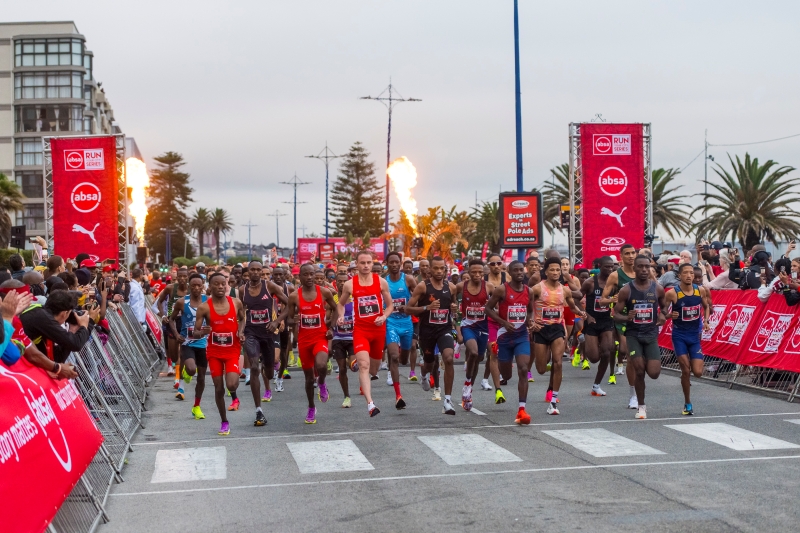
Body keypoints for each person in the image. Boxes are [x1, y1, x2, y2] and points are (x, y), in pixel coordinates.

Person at [274, 263, 338, 424]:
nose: (309, 277)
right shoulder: (295, 296)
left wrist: (332, 326)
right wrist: (289, 320)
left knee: (322, 364)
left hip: (320, 337)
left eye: (312, 274)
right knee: (309, 379)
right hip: (304, 340)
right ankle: (311, 407)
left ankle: (322, 382)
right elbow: (289, 316)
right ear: (300, 277)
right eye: (306, 275)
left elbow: (336, 309)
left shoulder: (324, 292)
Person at [336, 251, 394, 417]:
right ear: (356, 264)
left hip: (378, 330)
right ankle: (370, 404)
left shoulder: (381, 282)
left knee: (374, 370)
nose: (366, 266)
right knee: (364, 365)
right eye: (362, 263)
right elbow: (340, 304)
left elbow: (390, 306)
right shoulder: (350, 285)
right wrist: (340, 316)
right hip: (360, 331)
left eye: (369, 262)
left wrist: (383, 316)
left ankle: (358, 363)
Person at [613, 255, 668, 420]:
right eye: (641, 267)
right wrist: (626, 317)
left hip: (650, 335)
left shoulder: (657, 288)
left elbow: (665, 307)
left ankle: (645, 361)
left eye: (647, 266)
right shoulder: (626, 290)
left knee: (654, 373)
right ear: (634, 269)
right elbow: (615, 314)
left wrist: (663, 315)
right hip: (633, 335)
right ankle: (641, 406)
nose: (644, 270)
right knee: (639, 370)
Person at [531, 257, 586, 415]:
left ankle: (553, 402)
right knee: (541, 369)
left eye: (558, 270)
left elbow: (573, 306)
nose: (555, 272)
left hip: (557, 328)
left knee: (558, 362)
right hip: (541, 329)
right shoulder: (537, 288)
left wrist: (581, 313)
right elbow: (527, 305)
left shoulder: (565, 289)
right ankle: (547, 365)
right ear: (546, 271)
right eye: (552, 270)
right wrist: (530, 321)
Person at [193, 273, 246, 436]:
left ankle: (236, 381)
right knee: (219, 388)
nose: (221, 287)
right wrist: (202, 332)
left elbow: (243, 319)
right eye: (217, 284)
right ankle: (224, 421)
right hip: (214, 352)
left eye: (224, 284)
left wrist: (241, 331)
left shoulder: (236, 303)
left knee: (231, 385)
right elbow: (195, 332)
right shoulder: (204, 307)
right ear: (210, 287)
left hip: (232, 350)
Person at [407, 256, 458, 415]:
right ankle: (423, 374)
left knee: (448, 358)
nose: (438, 271)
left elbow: (454, 308)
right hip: (427, 332)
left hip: (444, 329)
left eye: (441, 268)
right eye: (435, 268)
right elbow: (408, 309)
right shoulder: (422, 287)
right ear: (430, 269)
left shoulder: (451, 287)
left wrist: (454, 310)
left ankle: (448, 401)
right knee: (429, 363)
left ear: (445, 269)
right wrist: (426, 308)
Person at [485, 260, 534, 423]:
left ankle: (522, 410)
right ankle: (501, 371)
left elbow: (530, 311)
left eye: (522, 270)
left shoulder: (529, 291)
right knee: (506, 374)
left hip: (521, 336)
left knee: (523, 368)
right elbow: (488, 309)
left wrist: (530, 321)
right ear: (510, 273)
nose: (520, 273)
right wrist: (503, 322)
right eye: (516, 270)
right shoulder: (501, 290)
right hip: (504, 336)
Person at [239, 261, 287, 423]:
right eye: (252, 269)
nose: (255, 272)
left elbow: (290, 304)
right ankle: (258, 410)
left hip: (268, 333)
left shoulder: (270, 287)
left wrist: (277, 320)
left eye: (259, 270)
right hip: (251, 333)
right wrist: (240, 330)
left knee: (269, 372)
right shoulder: (242, 291)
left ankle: (270, 376)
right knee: (253, 367)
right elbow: (239, 313)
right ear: (248, 271)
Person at [665, 263, 711, 416]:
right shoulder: (672, 293)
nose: (689, 276)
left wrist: (706, 321)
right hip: (679, 336)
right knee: (686, 370)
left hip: (694, 336)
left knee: (697, 372)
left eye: (691, 273)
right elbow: (662, 312)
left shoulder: (700, 290)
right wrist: (669, 315)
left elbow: (706, 306)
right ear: (679, 275)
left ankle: (686, 377)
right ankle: (687, 403)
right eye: (686, 273)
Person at [600, 243, 638, 401]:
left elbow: (656, 290)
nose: (631, 256)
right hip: (623, 319)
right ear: (621, 256)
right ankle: (633, 393)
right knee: (625, 350)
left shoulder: (643, 271)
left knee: (642, 362)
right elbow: (602, 300)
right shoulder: (616, 275)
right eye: (627, 253)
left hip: (642, 320)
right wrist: (611, 299)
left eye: (633, 253)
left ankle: (636, 387)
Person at [19, 288, 97, 363]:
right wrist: (87, 324)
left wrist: (73, 329)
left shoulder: (40, 311)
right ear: (64, 314)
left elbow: (58, 358)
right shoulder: (44, 321)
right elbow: (76, 344)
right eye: (70, 312)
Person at [169, 274, 209, 418]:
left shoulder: (208, 301)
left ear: (203, 285)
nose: (196, 288)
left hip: (203, 343)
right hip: (187, 342)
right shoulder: (182, 302)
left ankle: (196, 407)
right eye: (193, 285)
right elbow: (171, 319)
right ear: (189, 286)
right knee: (192, 370)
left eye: (199, 285)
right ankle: (186, 372)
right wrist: (176, 333)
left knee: (202, 377)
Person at [456, 259, 494, 410]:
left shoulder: (489, 287)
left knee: (479, 358)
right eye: (474, 272)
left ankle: (469, 385)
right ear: (468, 272)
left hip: (483, 327)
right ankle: (466, 384)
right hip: (468, 326)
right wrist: (453, 310)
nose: (477, 275)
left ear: (484, 272)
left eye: (480, 272)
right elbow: (450, 300)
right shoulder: (461, 286)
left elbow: (498, 303)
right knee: (473, 352)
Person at [383, 251, 415, 409]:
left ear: (400, 263)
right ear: (387, 264)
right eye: (391, 262)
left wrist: (408, 307)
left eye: (397, 262)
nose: (394, 265)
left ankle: (402, 359)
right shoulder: (383, 282)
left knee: (403, 360)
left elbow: (418, 299)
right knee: (394, 356)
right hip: (390, 324)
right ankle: (398, 396)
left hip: (407, 324)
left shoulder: (408, 280)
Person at [581, 256, 616, 397]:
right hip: (592, 322)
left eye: (612, 266)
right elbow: (577, 299)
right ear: (599, 266)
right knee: (594, 358)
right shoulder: (589, 283)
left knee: (607, 352)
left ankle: (596, 385)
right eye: (607, 266)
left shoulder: (614, 284)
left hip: (607, 321)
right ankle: (586, 342)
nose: (610, 269)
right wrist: (586, 315)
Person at [156, 268, 189, 384]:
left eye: (184, 276)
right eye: (180, 276)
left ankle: (178, 379)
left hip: (186, 323)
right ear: (177, 277)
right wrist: (163, 314)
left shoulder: (191, 289)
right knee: (174, 356)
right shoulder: (170, 288)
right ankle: (178, 371)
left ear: (188, 277)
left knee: (183, 352)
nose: (182, 279)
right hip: (172, 322)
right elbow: (159, 302)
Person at [480, 253, 507, 391]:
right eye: (492, 264)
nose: (496, 266)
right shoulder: (484, 281)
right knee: (492, 351)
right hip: (489, 320)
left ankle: (492, 376)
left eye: (498, 263)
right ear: (488, 265)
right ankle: (487, 380)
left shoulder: (507, 278)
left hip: (505, 321)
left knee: (498, 352)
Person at [331, 270, 355, 407]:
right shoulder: (333, 299)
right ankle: (346, 397)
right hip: (337, 338)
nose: (341, 283)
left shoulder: (354, 297)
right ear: (335, 282)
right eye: (339, 281)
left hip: (352, 337)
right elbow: (327, 318)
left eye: (344, 281)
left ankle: (349, 360)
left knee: (354, 366)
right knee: (342, 368)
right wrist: (333, 321)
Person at [271, 266, 296, 386]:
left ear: (285, 276)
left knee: (284, 348)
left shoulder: (289, 288)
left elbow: (293, 305)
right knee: (273, 349)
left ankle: (283, 368)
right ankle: (275, 368)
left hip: (284, 321)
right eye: (275, 275)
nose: (278, 277)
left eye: (280, 275)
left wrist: (288, 320)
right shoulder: (269, 288)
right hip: (271, 322)